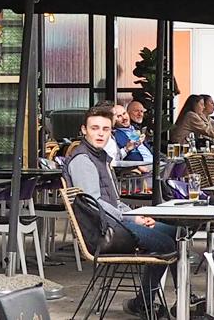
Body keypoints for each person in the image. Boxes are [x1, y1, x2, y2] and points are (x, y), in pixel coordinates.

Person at [65, 105, 178, 314]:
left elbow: (114, 201)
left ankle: (150, 301)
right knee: (168, 242)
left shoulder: (100, 157)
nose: (100, 133)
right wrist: (131, 218)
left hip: (114, 224)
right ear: (84, 130)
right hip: (102, 233)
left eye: (105, 129)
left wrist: (137, 215)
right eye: (95, 128)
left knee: (174, 231)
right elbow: (93, 202)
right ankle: (149, 301)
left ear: (111, 132)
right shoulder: (83, 160)